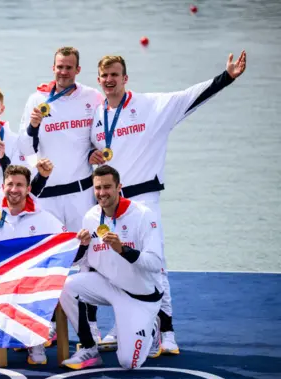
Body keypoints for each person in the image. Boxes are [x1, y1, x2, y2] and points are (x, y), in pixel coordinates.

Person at [88, 51, 247, 354]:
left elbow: (189, 97)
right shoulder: (97, 116)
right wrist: (89, 156)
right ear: (99, 80)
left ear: (125, 78)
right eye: (105, 76)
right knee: (117, 262)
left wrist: (226, 77)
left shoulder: (150, 106)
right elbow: (91, 152)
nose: (110, 81)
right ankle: (124, 325)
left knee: (153, 263)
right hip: (112, 201)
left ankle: (168, 331)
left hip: (145, 197)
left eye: (115, 75)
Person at [59, 165, 163, 370]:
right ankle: (89, 348)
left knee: (128, 363)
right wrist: (82, 246)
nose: (102, 193)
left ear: (119, 187)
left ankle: (152, 327)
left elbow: (155, 263)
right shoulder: (91, 216)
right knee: (67, 286)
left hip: (140, 296)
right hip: (110, 286)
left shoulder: (142, 215)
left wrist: (122, 250)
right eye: (97, 188)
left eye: (107, 187)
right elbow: (82, 262)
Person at [0, 165, 66, 365]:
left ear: (28, 188)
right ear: (2, 186)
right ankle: (14, 333)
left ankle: (34, 338)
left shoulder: (45, 218)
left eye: (20, 185)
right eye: (10, 184)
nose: (14, 189)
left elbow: (64, 246)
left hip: (32, 289)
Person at [18, 46, 103, 232]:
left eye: (69, 68)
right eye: (60, 67)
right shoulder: (37, 99)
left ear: (78, 70)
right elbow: (24, 148)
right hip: (47, 194)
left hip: (81, 193)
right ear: (53, 68)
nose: (64, 72)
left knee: (87, 252)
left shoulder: (93, 96)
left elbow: (102, 137)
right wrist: (33, 126)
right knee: (50, 255)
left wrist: (93, 151)